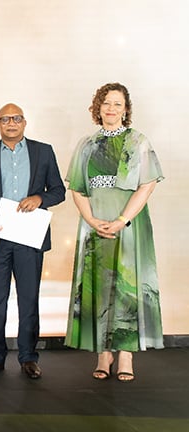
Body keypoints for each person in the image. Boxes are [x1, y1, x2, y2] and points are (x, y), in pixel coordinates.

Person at [64, 83, 164, 382]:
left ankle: (126, 355)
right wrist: (92, 220)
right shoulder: (86, 144)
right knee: (98, 287)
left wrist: (122, 219)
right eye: (106, 103)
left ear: (126, 109)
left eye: (118, 104)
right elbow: (78, 189)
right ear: (98, 107)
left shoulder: (138, 142)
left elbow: (147, 185)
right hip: (95, 225)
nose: (111, 108)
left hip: (129, 225)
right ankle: (102, 354)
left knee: (127, 288)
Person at [0, 103, 65, 379]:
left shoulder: (42, 151)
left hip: (29, 238)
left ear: (24, 123)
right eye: (5, 119)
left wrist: (40, 199)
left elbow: (59, 190)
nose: (11, 123)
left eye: (17, 118)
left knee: (29, 298)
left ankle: (28, 357)